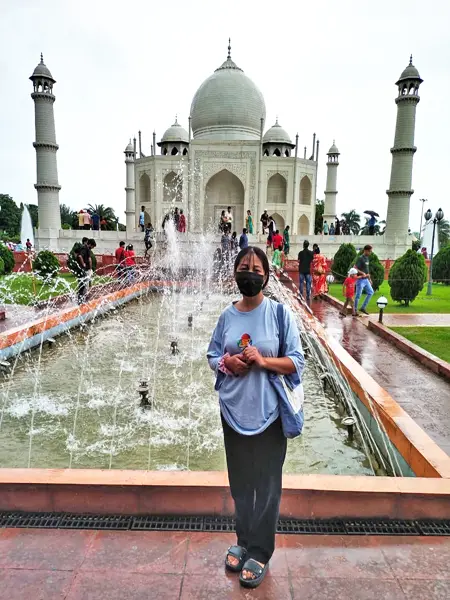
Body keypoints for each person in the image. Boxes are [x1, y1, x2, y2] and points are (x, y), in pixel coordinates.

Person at [207, 246, 304, 589]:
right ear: (234, 273)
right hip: (233, 412)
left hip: (269, 414)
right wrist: (225, 363)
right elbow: (212, 353)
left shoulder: (279, 314)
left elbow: (297, 361)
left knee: (266, 487)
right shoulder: (227, 316)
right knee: (241, 485)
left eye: (256, 268)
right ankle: (244, 540)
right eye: (243, 266)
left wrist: (264, 362)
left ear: (266, 275)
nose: (250, 272)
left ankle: (260, 550)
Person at [354, 245, 374, 315]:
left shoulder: (367, 258)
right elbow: (355, 268)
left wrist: (369, 279)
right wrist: (362, 273)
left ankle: (363, 307)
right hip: (360, 280)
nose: (370, 252)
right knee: (358, 295)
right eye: (369, 251)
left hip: (366, 280)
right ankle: (355, 310)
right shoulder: (360, 258)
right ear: (365, 250)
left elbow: (367, 270)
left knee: (371, 292)